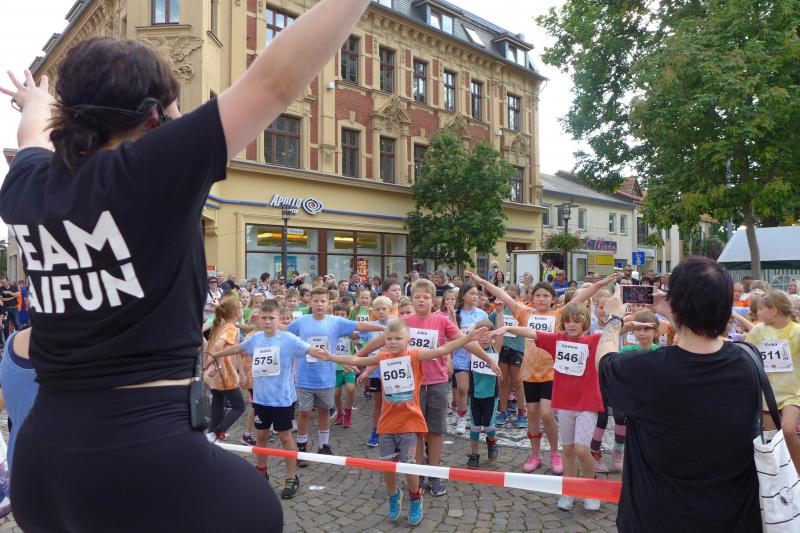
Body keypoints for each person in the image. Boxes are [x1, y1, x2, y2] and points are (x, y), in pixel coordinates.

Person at [0, 0, 372, 529]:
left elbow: (31, 137)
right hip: (145, 450)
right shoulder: (149, 170)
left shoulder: (29, 184)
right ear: (154, 116)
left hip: (41, 461)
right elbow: (273, 83)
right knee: (259, 513)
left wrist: (35, 101)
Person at [596, 256, 760, 531]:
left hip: (659, 517)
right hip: (733, 517)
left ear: (677, 304)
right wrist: (676, 312)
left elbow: (604, 361)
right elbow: (707, 337)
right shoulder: (749, 361)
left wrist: (613, 319)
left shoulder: (646, 370)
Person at [317, 320, 488, 527]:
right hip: (387, 422)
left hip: (410, 421)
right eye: (389, 338)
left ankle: (415, 498)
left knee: (409, 464)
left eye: (398, 338)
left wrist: (468, 338)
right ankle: (394, 495)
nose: (392, 342)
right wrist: (330, 357)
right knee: (387, 466)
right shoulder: (382, 357)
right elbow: (356, 358)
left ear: (408, 340)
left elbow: (442, 350)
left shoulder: (414, 355)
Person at [356, 279, 501, 497]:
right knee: (415, 430)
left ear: (433, 301)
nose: (421, 300)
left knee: (435, 430)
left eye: (426, 297)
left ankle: (434, 473)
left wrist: (489, 360)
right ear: (411, 299)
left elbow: (465, 341)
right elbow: (381, 343)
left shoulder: (441, 321)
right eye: (417, 297)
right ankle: (419, 473)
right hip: (410, 385)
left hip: (437, 383)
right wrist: (358, 358)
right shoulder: (404, 322)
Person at [210, 300, 330, 499]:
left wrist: (335, 358)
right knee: (261, 437)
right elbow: (238, 348)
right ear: (258, 319)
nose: (267, 322)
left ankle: (291, 477)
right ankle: (261, 472)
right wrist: (216, 355)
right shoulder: (256, 338)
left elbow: (311, 350)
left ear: (278, 319)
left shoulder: (288, 338)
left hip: (282, 400)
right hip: (261, 399)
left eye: (271, 318)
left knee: (285, 437)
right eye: (263, 318)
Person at [500, 302, 605, 512]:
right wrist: (507, 328)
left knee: (582, 449)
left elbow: (614, 332)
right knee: (568, 449)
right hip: (565, 403)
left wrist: (625, 321)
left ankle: (590, 488)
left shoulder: (594, 340)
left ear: (585, 323)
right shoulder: (558, 340)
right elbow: (532, 333)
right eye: (568, 321)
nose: (572, 325)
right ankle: (569, 489)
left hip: (587, 404)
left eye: (577, 321)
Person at [288, 287, 383, 459]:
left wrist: (383, 328)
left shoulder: (336, 322)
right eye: (315, 301)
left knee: (324, 411)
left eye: (322, 301)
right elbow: (286, 333)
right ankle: (301, 446)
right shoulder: (301, 322)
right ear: (310, 303)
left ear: (328, 303)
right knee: (304, 412)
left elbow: (359, 325)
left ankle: (323, 445)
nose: (319, 304)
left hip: (326, 377)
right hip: (304, 377)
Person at [746, 288, 800, 474]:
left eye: (760, 309)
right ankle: (780, 475)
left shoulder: (796, 332)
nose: (757, 312)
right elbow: (749, 354)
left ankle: (798, 471)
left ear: (774, 310)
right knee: (773, 439)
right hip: (767, 394)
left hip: (793, 393)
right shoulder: (758, 331)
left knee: (788, 430)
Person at [204, 297, 246, 442]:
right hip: (225, 375)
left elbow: (209, 345)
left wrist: (208, 364)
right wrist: (218, 365)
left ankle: (210, 436)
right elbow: (217, 346)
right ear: (237, 312)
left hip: (216, 377)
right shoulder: (231, 328)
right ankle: (217, 432)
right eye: (241, 308)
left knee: (217, 408)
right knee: (239, 406)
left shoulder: (220, 326)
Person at [452, 283, 489, 434]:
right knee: (462, 388)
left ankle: (477, 418)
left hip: (478, 356)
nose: (475, 297)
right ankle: (461, 417)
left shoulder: (482, 314)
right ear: (462, 296)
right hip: (460, 356)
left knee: (478, 390)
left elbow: (488, 333)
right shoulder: (456, 314)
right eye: (472, 294)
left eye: (477, 294)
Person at [489, 285, 527, 430]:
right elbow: (489, 324)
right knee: (503, 381)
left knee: (518, 382)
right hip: (502, 350)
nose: (509, 299)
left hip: (518, 350)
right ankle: (503, 411)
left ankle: (521, 412)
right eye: (507, 296)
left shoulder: (523, 312)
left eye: (513, 297)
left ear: (519, 298)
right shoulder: (498, 311)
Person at [466, 319, 503, 469]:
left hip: (491, 395)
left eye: (487, 334)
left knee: (488, 426)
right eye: (481, 334)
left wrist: (499, 314)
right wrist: (452, 317)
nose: (484, 337)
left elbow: (501, 332)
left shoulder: (495, 349)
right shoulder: (473, 348)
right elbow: (461, 337)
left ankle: (492, 442)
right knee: (474, 427)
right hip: (475, 395)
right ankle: (474, 454)